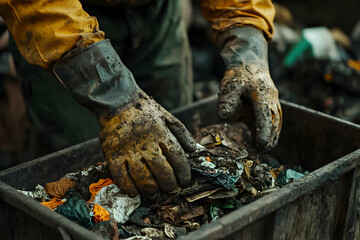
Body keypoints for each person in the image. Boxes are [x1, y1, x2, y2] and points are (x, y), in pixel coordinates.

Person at [0, 0, 282, 197]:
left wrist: (248, 47)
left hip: (157, 15)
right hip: (60, 21)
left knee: (180, 143)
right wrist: (115, 97)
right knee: (76, 168)